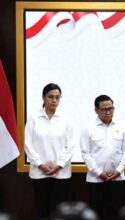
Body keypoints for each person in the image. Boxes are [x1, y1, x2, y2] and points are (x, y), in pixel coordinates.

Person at [25, 83, 75, 220]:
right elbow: (27, 144)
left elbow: (70, 145)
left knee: (59, 211)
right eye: (50, 97)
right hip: (39, 172)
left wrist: (59, 165)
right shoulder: (33, 117)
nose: (54, 100)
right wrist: (40, 164)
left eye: (57, 97)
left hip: (61, 172)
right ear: (43, 98)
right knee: (42, 209)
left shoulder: (66, 118)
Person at [80, 95, 125, 220]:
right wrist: (98, 172)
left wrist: (118, 171)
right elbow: (86, 153)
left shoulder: (121, 127)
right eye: (104, 109)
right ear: (96, 110)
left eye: (111, 108)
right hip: (96, 179)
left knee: (117, 212)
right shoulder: (88, 128)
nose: (108, 112)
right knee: (97, 213)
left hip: (117, 178)